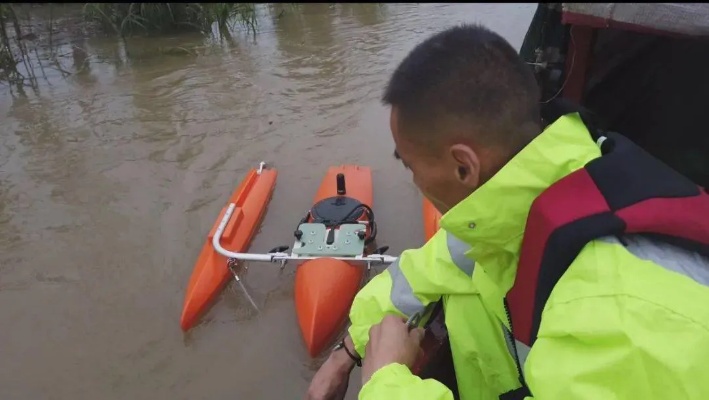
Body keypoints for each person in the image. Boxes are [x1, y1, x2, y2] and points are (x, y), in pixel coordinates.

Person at [306, 23, 709, 400]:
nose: (414, 183)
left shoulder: (618, 320)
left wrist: (385, 382)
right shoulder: (544, 187)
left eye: (410, 166)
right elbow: (429, 266)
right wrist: (349, 350)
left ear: (464, 165)